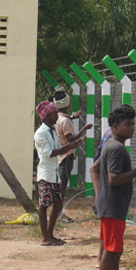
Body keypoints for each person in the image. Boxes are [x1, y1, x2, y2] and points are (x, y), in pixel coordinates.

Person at [91, 105, 136, 270]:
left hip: (114, 206)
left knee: (115, 251)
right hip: (113, 206)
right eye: (127, 124)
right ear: (115, 126)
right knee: (110, 252)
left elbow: (96, 169)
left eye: (133, 123)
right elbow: (113, 179)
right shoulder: (116, 148)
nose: (132, 128)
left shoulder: (112, 146)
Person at [34, 101, 91, 246]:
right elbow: (49, 153)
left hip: (54, 173)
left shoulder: (51, 130)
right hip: (46, 174)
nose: (56, 116)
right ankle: (45, 237)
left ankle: (50, 235)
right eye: (54, 113)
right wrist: (70, 146)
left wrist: (74, 144)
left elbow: (60, 147)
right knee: (44, 204)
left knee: (57, 203)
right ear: (47, 115)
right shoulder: (41, 133)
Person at [52, 90, 78, 222]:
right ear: (67, 104)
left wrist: (72, 117)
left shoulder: (54, 118)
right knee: (62, 187)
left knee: (58, 185)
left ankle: (56, 213)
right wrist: (82, 132)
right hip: (66, 155)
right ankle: (58, 215)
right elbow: (70, 138)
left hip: (57, 154)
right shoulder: (66, 122)